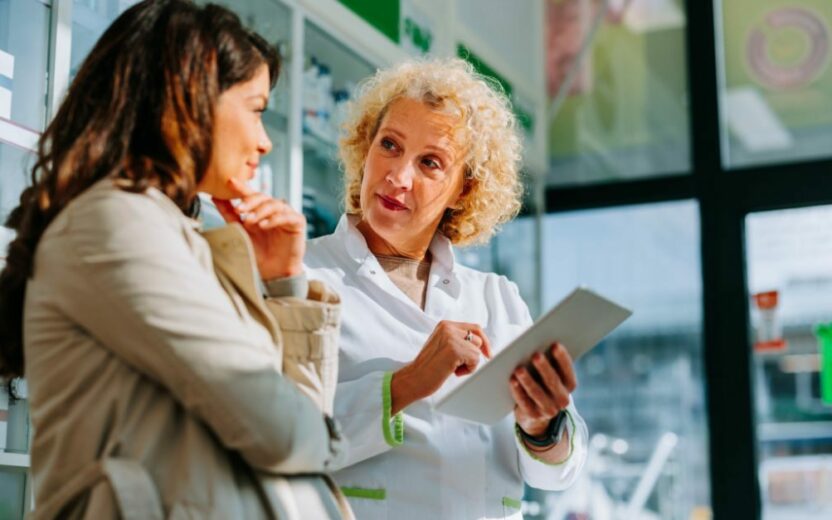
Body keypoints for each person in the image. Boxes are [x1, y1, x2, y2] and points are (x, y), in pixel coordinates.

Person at [0, 1, 349, 518]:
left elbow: (293, 431)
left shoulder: (174, 236)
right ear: (190, 96)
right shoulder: (115, 222)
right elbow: (279, 431)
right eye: (255, 109)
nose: (265, 141)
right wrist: (320, 438)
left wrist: (283, 285)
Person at [305, 58, 588, 519]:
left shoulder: (497, 297)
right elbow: (271, 435)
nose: (398, 176)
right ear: (365, 146)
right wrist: (406, 383)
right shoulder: (303, 276)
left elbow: (560, 471)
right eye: (389, 145)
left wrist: (541, 427)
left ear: (464, 188)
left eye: (430, 162)